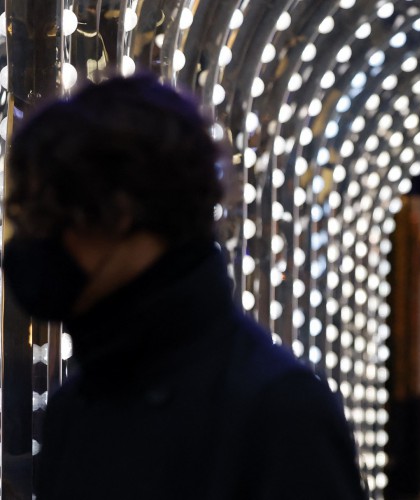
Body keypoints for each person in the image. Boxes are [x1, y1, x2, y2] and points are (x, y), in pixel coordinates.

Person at [2, 74, 366, 499]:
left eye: (45, 216)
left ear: (120, 211)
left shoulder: (279, 410)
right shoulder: (75, 404)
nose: (30, 240)